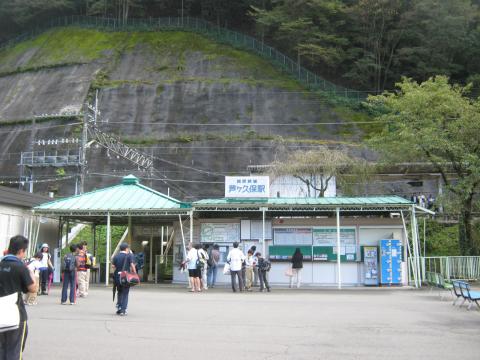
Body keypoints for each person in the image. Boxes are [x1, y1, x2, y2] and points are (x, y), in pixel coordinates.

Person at [0, 235, 37, 359]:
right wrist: (31, 272)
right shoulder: (20, 267)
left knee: (2, 349)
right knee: (14, 350)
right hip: (16, 314)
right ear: (21, 250)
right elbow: (32, 288)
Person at [112, 243, 136, 316]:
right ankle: (123, 310)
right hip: (125, 277)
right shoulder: (129, 256)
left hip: (117, 276)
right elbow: (132, 265)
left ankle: (119, 307)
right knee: (125, 293)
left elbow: (113, 266)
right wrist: (134, 273)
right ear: (126, 248)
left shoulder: (116, 256)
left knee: (119, 292)